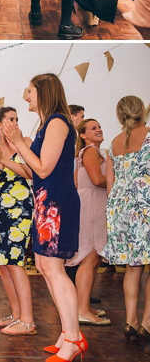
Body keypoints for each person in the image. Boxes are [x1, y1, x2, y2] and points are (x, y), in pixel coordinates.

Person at [1, 73, 85, 361]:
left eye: (29, 91)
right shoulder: (46, 125)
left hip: (57, 204)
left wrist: (19, 144)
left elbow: (45, 168)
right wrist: (7, 157)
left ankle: (74, 339)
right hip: (45, 204)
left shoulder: (59, 122)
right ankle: (67, 333)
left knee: (53, 269)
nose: (25, 96)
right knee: (44, 266)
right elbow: (32, 171)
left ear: (43, 92)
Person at [0, 107, 36, 336]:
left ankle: (28, 321)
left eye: (17, 118)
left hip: (20, 204)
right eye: (10, 119)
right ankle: (16, 315)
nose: (14, 122)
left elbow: (31, 173)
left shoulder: (24, 141)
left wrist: (3, 159)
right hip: (0, 206)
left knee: (16, 262)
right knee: (3, 264)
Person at [103, 95, 150, 343]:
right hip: (145, 204)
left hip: (120, 207)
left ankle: (130, 321)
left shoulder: (113, 143)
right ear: (141, 111)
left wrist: (114, 215)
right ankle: (147, 323)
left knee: (133, 267)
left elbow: (110, 183)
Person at [68, 118, 110, 325]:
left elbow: (76, 182)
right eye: (93, 128)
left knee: (92, 259)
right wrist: (117, 179)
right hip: (93, 205)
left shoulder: (83, 154)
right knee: (90, 258)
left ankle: (83, 305)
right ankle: (82, 310)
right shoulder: (91, 151)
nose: (99, 130)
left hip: (87, 203)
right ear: (83, 135)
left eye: (99, 127)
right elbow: (97, 180)